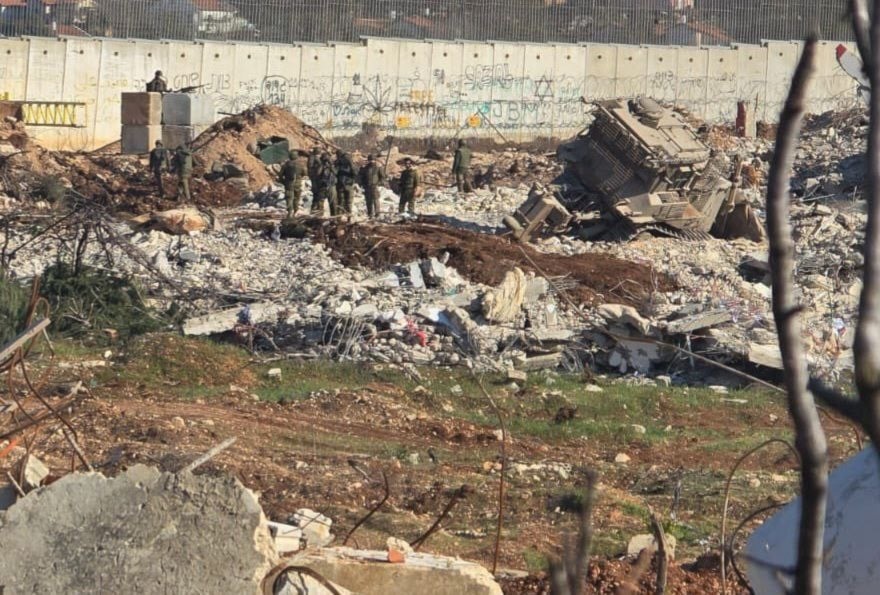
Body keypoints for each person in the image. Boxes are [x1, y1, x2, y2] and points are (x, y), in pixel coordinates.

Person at [279, 150, 307, 217]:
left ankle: (289, 212)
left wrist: (283, 182)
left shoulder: (285, 165)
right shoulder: (301, 165)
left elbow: (280, 175)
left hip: (288, 183)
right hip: (297, 183)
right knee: (296, 198)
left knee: (289, 198)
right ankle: (295, 211)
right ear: (297, 156)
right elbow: (305, 173)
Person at [358, 154, 386, 218]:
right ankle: (370, 214)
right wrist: (362, 185)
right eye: (370, 160)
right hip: (367, 186)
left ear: (375, 160)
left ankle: (377, 214)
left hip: (374, 186)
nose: (371, 161)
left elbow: (382, 177)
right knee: (368, 201)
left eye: (373, 160)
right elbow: (361, 177)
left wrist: (378, 183)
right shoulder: (365, 168)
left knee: (376, 200)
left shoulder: (378, 168)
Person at [335, 150, 358, 216]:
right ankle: (348, 217)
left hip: (341, 185)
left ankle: (340, 217)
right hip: (348, 185)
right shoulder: (350, 164)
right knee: (348, 202)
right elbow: (355, 173)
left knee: (341, 202)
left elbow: (335, 172)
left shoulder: (337, 163)